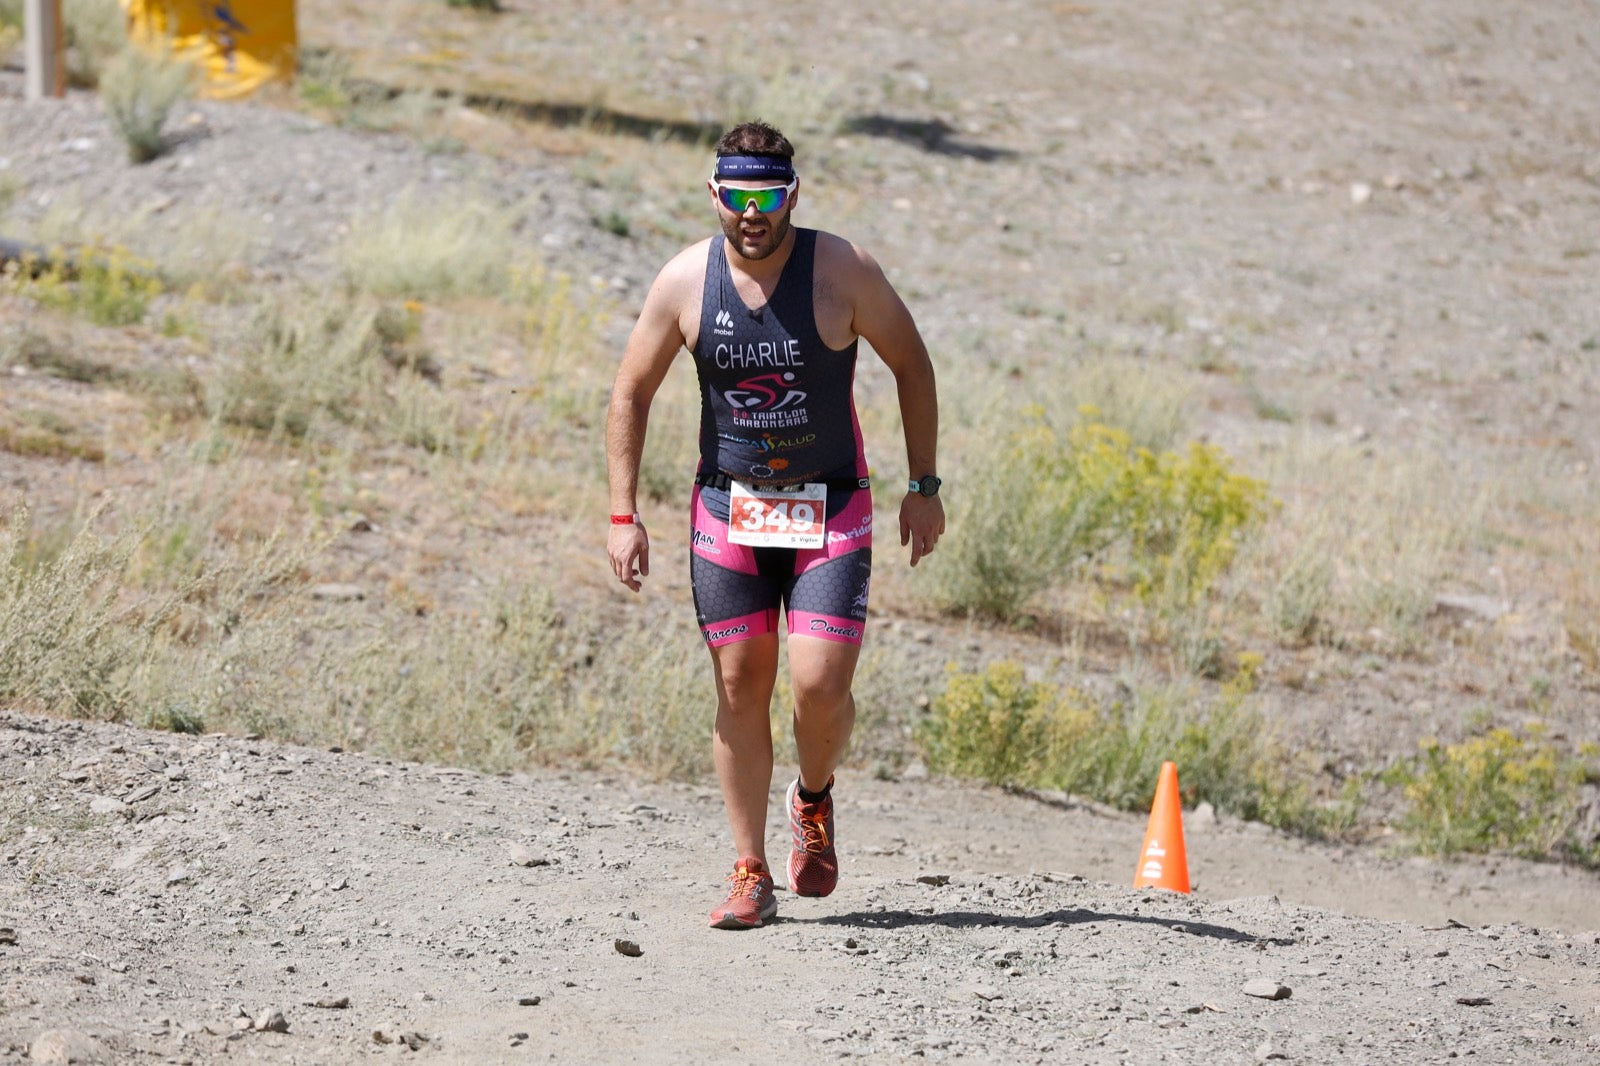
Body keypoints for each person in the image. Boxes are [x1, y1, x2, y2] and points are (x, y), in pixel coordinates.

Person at [605, 121, 944, 930]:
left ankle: (814, 799)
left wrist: (923, 484)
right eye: (736, 197)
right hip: (731, 507)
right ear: (714, 196)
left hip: (831, 506)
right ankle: (750, 868)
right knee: (739, 682)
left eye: (767, 197)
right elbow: (630, 393)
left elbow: (914, 364)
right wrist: (623, 514)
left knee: (820, 689)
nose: (751, 214)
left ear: (791, 194)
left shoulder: (843, 270)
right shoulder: (686, 280)